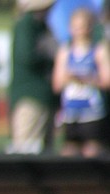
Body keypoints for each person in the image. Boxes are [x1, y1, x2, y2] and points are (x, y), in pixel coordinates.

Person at [53, 5, 110, 155]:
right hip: (71, 112)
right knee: (68, 152)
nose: (80, 31)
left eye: (83, 27)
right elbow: (57, 84)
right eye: (76, 27)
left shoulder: (98, 50)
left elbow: (106, 80)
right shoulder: (65, 52)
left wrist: (86, 79)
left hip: (92, 112)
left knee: (92, 152)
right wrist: (69, 78)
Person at [9, 0, 59, 154]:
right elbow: (27, 57)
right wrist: (51, 61)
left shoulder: (42, 26)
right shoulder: (26, 25)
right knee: (27, 150)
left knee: (45, 151)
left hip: (45, 96)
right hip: (31, 97)